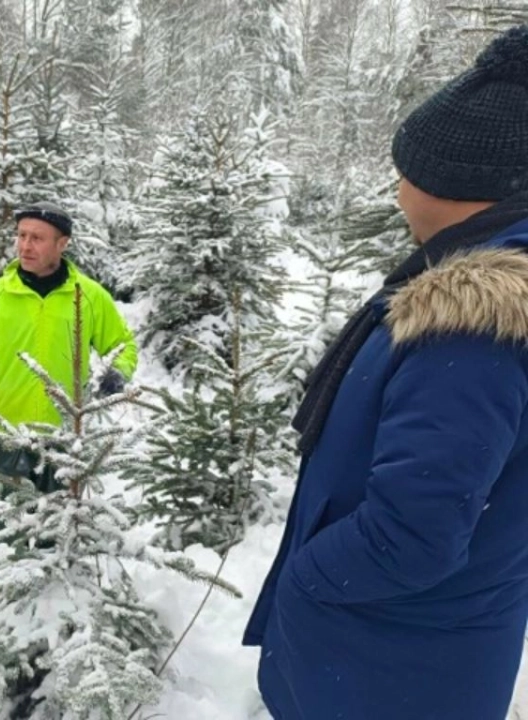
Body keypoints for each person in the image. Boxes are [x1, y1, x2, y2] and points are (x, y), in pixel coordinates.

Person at [243, 25, 528, 720]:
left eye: (406, 170)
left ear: (460, 187)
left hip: (382, 670)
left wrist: (307, 580)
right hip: (404, 658)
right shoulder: (469, 299)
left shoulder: (473, 327)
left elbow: (411, 536)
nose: (397, 188)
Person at [0, 201, 137, 497]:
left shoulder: (89, 296)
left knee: (61, 522)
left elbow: (123, 345)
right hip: (5, 437)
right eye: (21, 235)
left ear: (62, 244)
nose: (25, 246)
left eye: (37, 238)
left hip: (63, 440)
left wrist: (117, 372)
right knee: (5, 523)